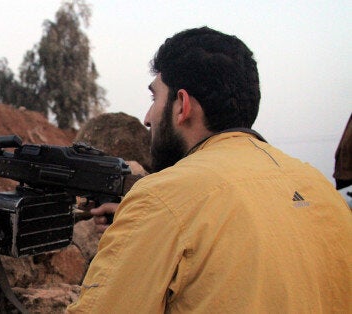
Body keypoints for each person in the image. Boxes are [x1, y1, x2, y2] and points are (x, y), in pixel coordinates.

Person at [67, 26, 351, 313]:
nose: (148, 117)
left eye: (155, 99)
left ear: (183, 106)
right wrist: (146, 229)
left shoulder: (161, 197)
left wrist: (148, 220)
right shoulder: (320, 188)